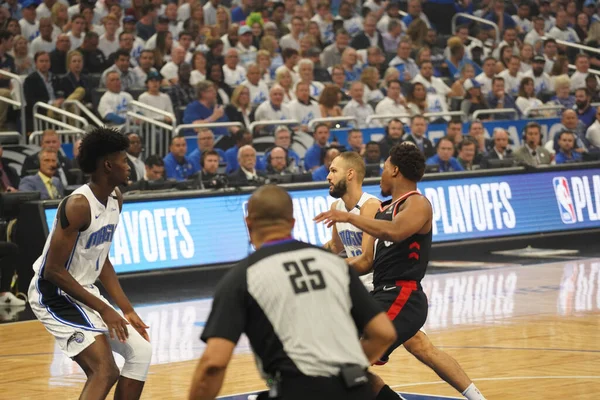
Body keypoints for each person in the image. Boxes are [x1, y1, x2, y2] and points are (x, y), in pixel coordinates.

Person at [190, 184, 396, 400]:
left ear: (248, 224)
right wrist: (349, 368)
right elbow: (384, 333)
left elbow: (213, 364)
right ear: (292, 223)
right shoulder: (335, 264)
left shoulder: (242, 277)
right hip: (355, 388)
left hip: (298, 390)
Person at [315, 142, 487, 400]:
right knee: (344, 360)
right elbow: (337, 246)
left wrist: (351, 219)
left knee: (350, 364)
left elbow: (388, 238)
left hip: (401, 295)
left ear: (395, 171)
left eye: (384, 168)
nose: (380, 174)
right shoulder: (385, 208)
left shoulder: (416, 204)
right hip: (381, 297)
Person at [27, 127, 152, 400]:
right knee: (105, 371)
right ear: (108, 165)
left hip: (82, 291)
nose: (128, 166)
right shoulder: (79, 205)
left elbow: (101, 257)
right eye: (123, 160)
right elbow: (53, 271)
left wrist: (126, 309)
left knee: (141, 352)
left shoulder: (116, 198)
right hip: (53, 294)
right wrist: (105, 310)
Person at [322, 151, 380, 290]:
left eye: (333, 171)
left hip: (375, 286)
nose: (328, 177)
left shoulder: (370, 206)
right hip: (354, 284)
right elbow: (336, 246)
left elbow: (366, 261)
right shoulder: (337, 206)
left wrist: (327, 268)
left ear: (350, 174)